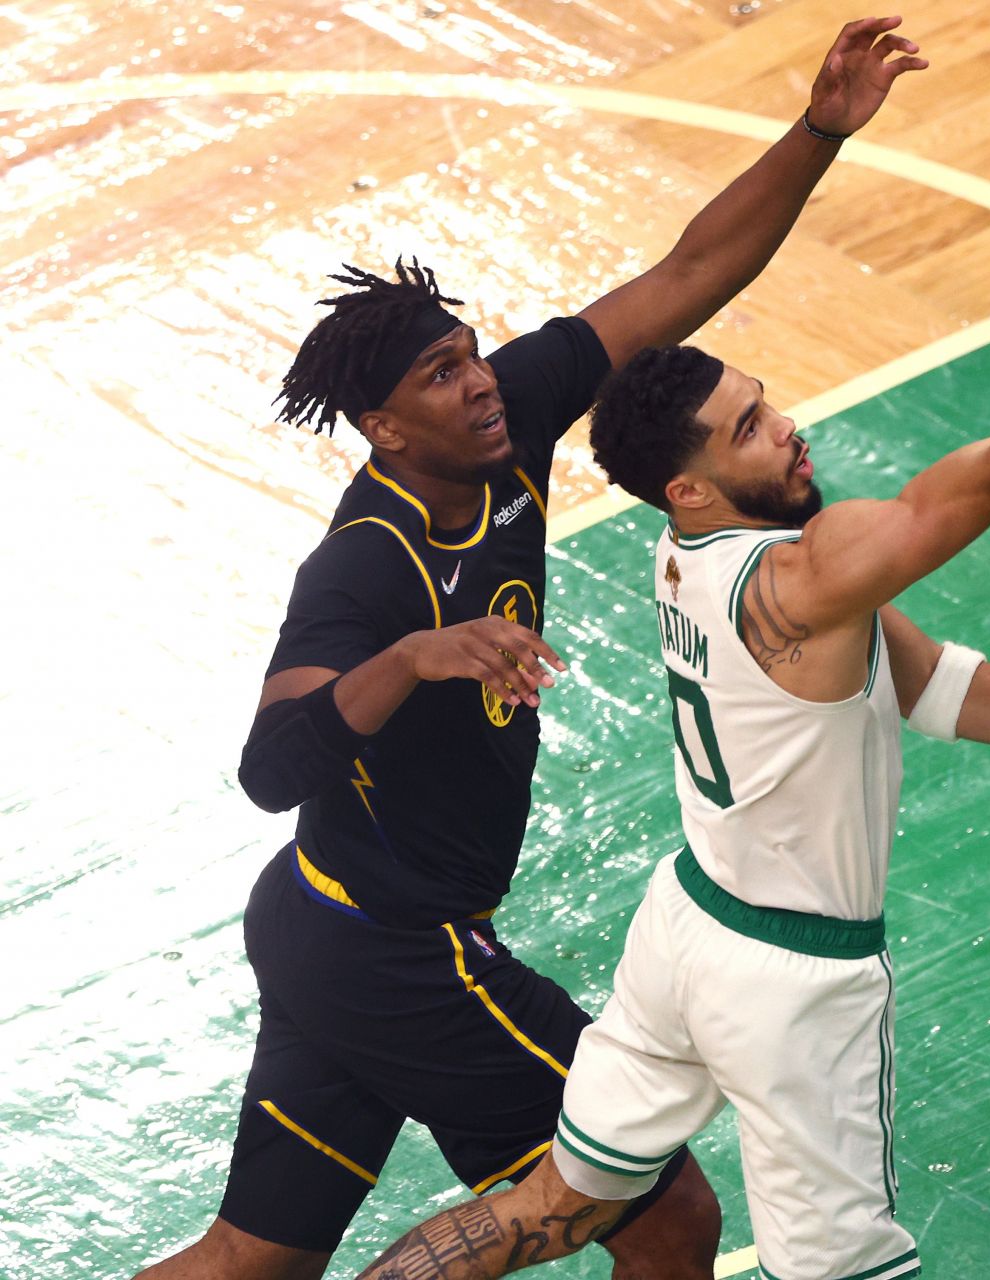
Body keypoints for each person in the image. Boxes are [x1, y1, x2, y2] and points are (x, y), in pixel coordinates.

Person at [137, 18, 928, 1280]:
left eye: (469, 353)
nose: (480, 382)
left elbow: (687, 272)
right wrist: (416, 659)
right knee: (669, 1217)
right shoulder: (367, 565)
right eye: (444, 377)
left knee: (248, 1260)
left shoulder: (510, 424)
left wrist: (821, 127)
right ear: (386, 428)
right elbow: (270, 761)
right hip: (402, 943)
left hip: (325, 925)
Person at [354, 325, 990, 1279]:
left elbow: (924, 679)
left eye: (765, 402)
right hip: (793, 985)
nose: (785, 428)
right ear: (689, 485)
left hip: (684, 929)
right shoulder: (800, 580)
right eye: (749, 428)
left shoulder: (687, 549)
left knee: (549, 1210)